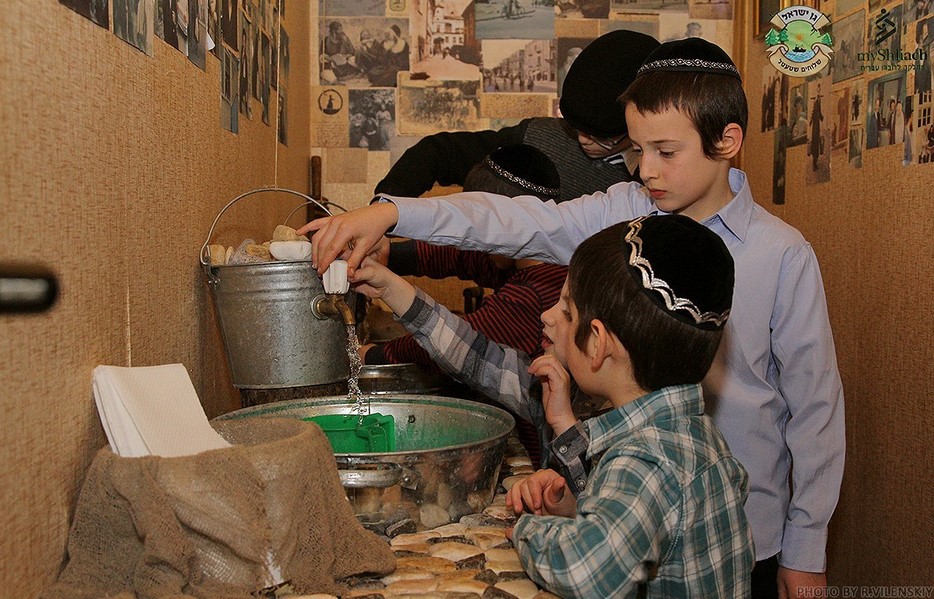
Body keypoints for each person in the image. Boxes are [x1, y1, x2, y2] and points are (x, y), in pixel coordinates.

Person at [301, 38, 845, 599]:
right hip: (620, 517)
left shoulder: (783, 255)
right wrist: (392, 213)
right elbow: (516, 221)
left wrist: (806, 548)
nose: (647, 170)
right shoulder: (628, 210)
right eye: (636, 150)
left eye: (665, 151)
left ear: (726, 141)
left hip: (746, 536)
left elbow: (815, 410)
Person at [507, 216, 752, 597]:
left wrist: (525, 529)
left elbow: (584, 572)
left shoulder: (644, 459)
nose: (549, 316)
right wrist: (578, 511)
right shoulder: (694, 435)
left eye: (569, 312)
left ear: (598, 343)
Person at [363, 144, 568, 466]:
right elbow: (464, 258)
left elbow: (458, 343)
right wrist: (394, 255)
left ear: (506, 225)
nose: (477, 245)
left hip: (544, 456)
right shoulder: (539, 260)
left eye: (480, 230)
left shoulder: (532, 293)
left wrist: (373, 356)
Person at [371, 30, 660, 202]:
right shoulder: (540, 137)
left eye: (602, 137)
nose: (584, 140)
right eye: (575, 128)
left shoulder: (656, 180)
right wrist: (384, 209)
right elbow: (440, 152)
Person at [809, 83, 824, 169]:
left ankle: (815, 161)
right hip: (815, 125)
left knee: (816, 141)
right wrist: (812, 120)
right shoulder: (816, 101)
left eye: (819, 89)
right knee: (815, 142)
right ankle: (814, 162)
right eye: (818, 89)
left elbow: (818, 111)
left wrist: (821, 117)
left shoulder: (818, 100)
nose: (819, 90)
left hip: (816, 123)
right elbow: (814, 111)